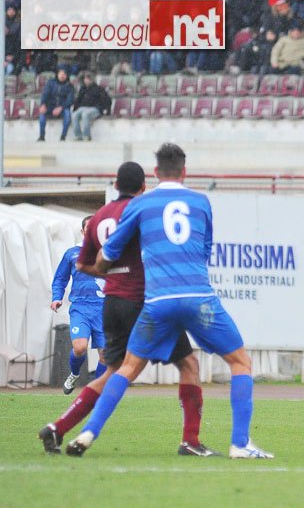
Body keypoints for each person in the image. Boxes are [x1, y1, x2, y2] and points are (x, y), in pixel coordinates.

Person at [65, 144, 272, 459]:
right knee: (240, 362)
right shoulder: (201, 202)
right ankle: (240, 444)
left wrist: (102, 267)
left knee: (126, 368)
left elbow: (110, 252)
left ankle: (88, 433)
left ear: (156, 172)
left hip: (157, 301)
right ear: (184, 172)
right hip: (199, 300)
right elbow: (205, 252)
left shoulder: (141, 204)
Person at [39, 162, 215, 457]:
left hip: (111, 303)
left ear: (116, 185)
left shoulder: (98, 219)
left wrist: (114, 275)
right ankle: (190, 441)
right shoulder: (142, 211)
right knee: (187, 365)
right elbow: (157, 252)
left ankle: (58, 427)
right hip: (144, 303)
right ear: (143, 187)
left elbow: (85, 264)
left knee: (114, 371)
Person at [51, 216, 107, 395]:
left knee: (106, 355)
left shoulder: (110, 252)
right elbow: (60, 278)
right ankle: (74, 374)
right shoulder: (72, 253)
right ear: (83, 232)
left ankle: (95, 392)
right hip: (80, 308)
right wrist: (56, 297)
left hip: (104, 308)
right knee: (80, 348)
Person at [71, 72, 111, 142]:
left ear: (92, 80)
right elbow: (78, 100)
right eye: (85, 79)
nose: (86, 80)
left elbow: (107, 100)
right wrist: (75, 108)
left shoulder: (99, 89)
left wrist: (106, 110)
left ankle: (86, 135)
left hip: (94, 108)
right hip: (82, 108)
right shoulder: (82, 89)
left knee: (85, 114)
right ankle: (78, 135)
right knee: (74, 115)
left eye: (88, 79)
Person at [37, 68, 73, 142]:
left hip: (62, 108)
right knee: (41, 116)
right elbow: (45, 94)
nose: (62, 76)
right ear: (57, 74)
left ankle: (63, 137)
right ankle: (41, 136)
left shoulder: (69, 86)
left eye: (64, 74)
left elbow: (69, 100)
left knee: (67, 115)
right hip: (50, 106)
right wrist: (42, 104)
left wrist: (60, 108)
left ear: (66, 76)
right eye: (60, 74)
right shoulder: (50, 83)